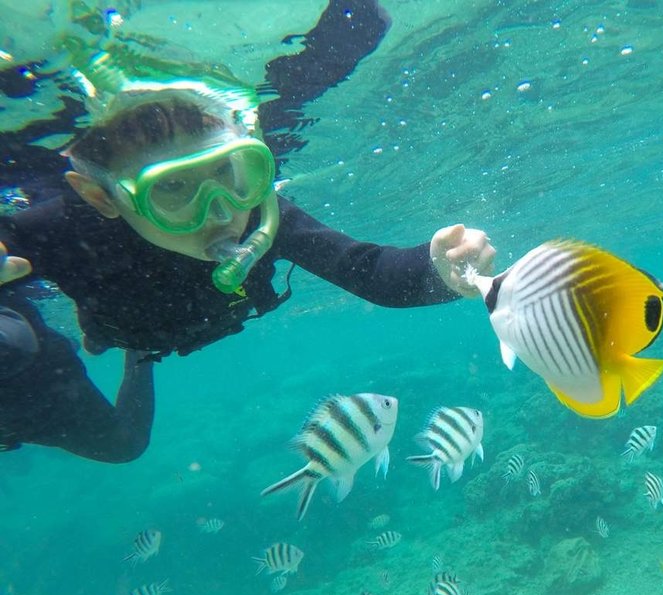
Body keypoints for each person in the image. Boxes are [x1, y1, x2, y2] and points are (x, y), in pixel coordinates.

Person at [0, 0, 494, 458]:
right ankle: (116, 344)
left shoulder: (259, 210)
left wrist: (438, 270)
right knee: (101, 401)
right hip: (121, 320)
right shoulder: (58, 226)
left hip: (180, 318)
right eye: (173, 189)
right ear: (100, 198)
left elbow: (369, 273)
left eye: (228, 172)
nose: (219, 212)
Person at [0, 278, 154, 462]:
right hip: (33, 400)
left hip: (37, 391)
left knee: (124, 445)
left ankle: (128, 339)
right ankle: (130, 340)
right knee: (124, 446)